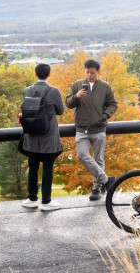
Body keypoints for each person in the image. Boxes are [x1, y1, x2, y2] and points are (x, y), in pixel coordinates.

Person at [66, 59, 118, 200]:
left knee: (98, 159)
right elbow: (68, 103)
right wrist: (77, 96)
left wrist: (105, 115)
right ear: (85, 71)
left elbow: (113, 104)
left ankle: (97, 188)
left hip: (99, 129)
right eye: (87, 72)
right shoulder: (77, 85)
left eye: (93, 72)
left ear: (98, 72)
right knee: (82, 155)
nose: (90, 75)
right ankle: (107, 180)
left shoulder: (105, 87)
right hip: (81, 129)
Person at [20, 63, 65, 211]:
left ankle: (32, 198)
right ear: (49, 74)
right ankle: (46, 201)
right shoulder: (53, 91)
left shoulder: (27, 90)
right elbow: (60, 110)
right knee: (47, 168)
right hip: (48, 137)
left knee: (32, 167)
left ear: (35, 74)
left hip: (31, 135)